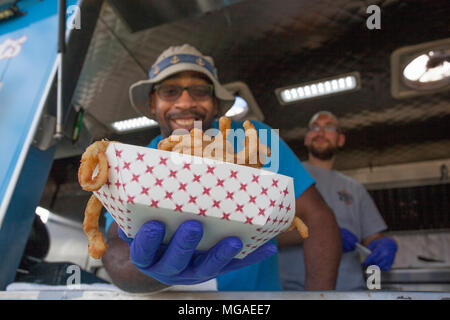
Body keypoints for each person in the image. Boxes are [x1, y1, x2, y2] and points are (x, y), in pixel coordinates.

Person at [101, 44, 342, 293]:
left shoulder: (254, 141)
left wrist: (317, 298)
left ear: (216, 103)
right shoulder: (136, 162)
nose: (185, 102)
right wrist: (153, 269)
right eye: (169, 91)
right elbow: (116, 251)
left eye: (200, 91)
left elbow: (317, 218)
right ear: (153, 103)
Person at [277, 111, 398, 291]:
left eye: (329, 127)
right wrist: (325, 233)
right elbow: (265, 233)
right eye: (315, 127)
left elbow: (372, 238)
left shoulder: (355, 188)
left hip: (352, 291)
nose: (321, 132)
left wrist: (382, 245)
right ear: (307, 138)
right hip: (295, 291)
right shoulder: (286, 176)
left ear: (340, 139)